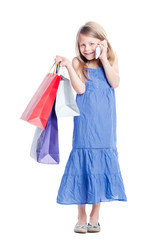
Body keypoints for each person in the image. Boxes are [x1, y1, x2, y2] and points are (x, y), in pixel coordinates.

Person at [54, 21, 127, 234]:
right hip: (85, 124)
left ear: (102, 43)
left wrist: (103, 58)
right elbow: (81, 89)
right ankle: (81, 215)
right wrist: (68, 65)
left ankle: (95, 216)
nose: (86, 49)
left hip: (105, 125)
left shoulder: (110, 60)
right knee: (82, 166)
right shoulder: (79, 62)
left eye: (91, 44)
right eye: (82, 45)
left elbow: (115, 83)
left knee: (99, 167)